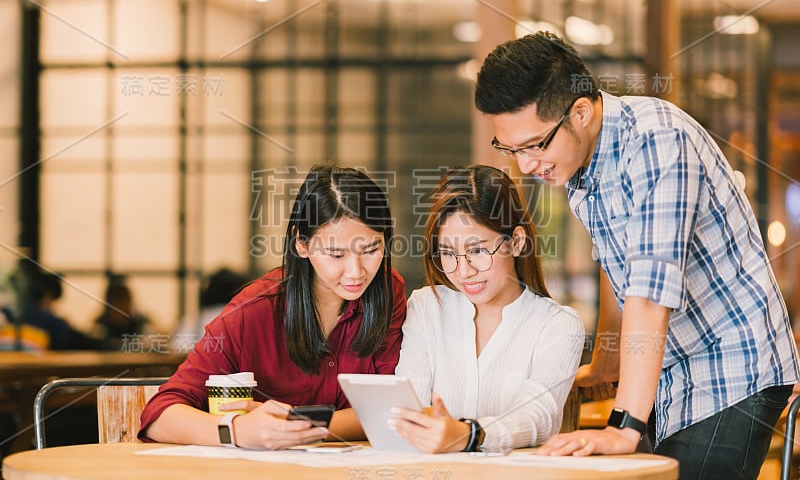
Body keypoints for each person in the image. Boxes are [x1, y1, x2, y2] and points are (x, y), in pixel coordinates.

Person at [474, 31, 800, 478]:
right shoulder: (577, 162)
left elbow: (649, 291)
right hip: (671, 368)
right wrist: (610, 358)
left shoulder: (656, 142)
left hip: (729, 364)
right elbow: (616, 265)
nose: (527, 165)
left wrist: (625, 424)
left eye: (535, 145)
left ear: (581, 113)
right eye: (511, 150)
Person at [139, 164, 407, 450]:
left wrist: (296, 422)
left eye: (371, 250)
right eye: (336, 254)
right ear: (301, 244)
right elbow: (159, 415)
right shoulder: (252, 312)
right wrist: (238, 431)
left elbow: (390, 411)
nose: (356, 272)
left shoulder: (388, 290)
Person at [390, 165, 584, 453]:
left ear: (516, 242)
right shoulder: (428, 305)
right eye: (448, 254)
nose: (464, 271)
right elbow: (406, 410)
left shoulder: (557, 325)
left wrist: (468, 434)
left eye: (477, 251)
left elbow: (537, 417)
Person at [93, 275, 150, 351]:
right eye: (117, 303)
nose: (122, 308)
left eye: (125, 302)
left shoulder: (140, 323)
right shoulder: (100, 326)